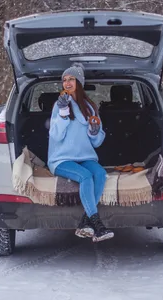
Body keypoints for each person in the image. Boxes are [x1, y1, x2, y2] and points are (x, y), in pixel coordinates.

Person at [47, 63, 114, 243]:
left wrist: (94, 129)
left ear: (80, 82)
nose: (67, 83)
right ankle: (96, 224)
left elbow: (97, 141)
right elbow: (55, 134)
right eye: (64, 80)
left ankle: (85, 222)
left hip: (84, 156)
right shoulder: (60, 104)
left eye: (71, 79)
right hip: (61, 159)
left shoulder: (90, 107)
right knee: (85, 177)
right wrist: (62, 113)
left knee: (99, 173)